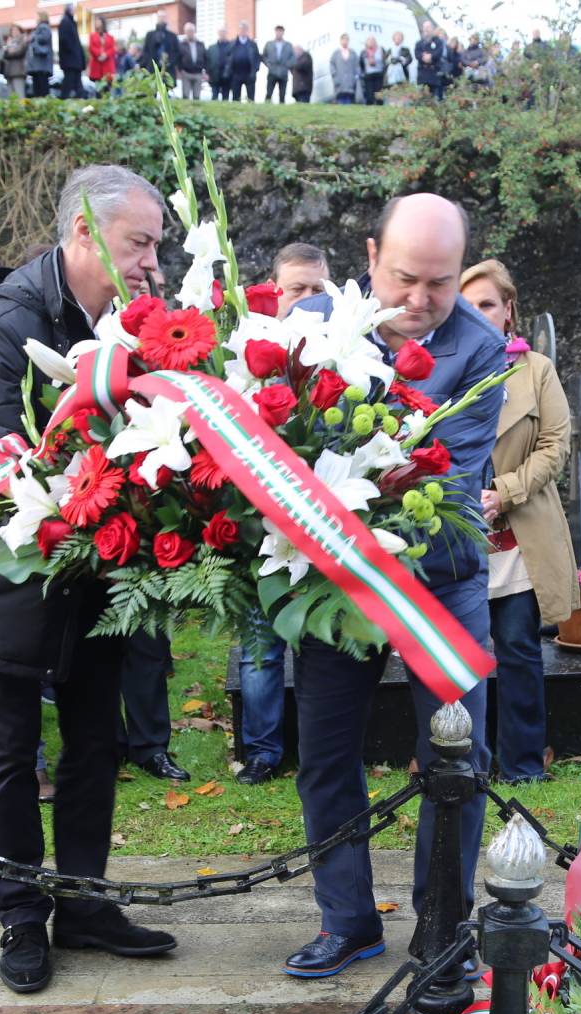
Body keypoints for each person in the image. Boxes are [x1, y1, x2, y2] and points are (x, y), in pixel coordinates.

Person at [0, 165, 179, 995]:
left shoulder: (138, 317)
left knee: (95, 746)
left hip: (98, 566)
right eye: (137, 243)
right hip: (5, 572)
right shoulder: (5, 322)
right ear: (83, 233)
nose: (152, 261)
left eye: (156, 243)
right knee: (6, 754)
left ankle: (80, 902)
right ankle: (19, 914)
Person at [284, 194, 507, 979]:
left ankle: (443, 926)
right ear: (371, 255)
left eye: (440, 284)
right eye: (405, 278)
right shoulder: (309, 321)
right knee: (323, 752)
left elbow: (444, 474)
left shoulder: (483, 352)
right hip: (328, 579)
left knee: (458, 758)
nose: (420, 300)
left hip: (438, 581)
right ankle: (346, 922)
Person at [458, 260, 577, 783]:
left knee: (519, 651)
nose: (478, 314)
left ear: (508, 311)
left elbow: (555, 447)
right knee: (459, 657)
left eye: (487, 303)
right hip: (458, 538)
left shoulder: (537, 370)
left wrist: (504, 492)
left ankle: (524, 765)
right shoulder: (445, 365)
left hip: (518, 536)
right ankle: (461, 762)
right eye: (467, 305)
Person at [231, 243, 330, 787]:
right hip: (259, 518)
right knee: (260, 644)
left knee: (321, 643)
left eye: (319, 290)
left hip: (324, 517)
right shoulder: (252, 350)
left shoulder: (340, 350)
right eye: (297, 290)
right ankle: (262, 752)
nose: (310, 301)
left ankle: (321, 746)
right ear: (274, 292)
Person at [55, 7, 86, 99]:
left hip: (75, 61)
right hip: (70, 61)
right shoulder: (65, 22)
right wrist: (73, 52)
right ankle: (65, 102)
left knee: (77, 85)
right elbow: (65, 41)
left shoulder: (71, 23)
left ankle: (79, 101)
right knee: (68, 84)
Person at [415, 21, 447, 100]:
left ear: (432, 29)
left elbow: (438, 53)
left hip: (434, 75)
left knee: (434, 99)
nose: (426, 29)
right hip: (422, 75)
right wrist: (424, 57)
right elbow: (417, 53)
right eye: (425, 27)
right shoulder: (419, 43)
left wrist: (431, 56)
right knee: (421, 99)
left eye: (428, 27)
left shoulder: (438, 41)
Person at [25, 14, 53, 100]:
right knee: (40, 89)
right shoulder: (43, 28)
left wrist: (33, 37)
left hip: (40, 65)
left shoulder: (43, 27)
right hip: (40, 66)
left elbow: (44, 38)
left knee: (40, 89)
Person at [84, 15, 115, 91]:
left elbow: (113, 49)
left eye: (98, 21)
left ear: (102, 23)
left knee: (107, 89)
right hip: (96, 66)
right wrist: (99, 54)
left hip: (107, 67)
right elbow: (91, 47)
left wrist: (105, 55)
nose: (96, 23)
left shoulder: (110, 37)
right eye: (96, 21)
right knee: (97, 90)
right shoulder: (92, 36)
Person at [228, 22, 258, 101]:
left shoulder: (252, 44)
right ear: (239, 30)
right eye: (241, 29)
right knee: (235, 97)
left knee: (251, 98)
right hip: (236, 74)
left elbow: (257, 58)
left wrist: (255, 70)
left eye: (245, 29)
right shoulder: (233, 43)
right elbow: (228, 57)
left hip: (249, 74)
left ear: (248, 30)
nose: (243, 31)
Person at [262, 26, 292, 103]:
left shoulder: (288, 45)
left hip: (283, 73)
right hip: (272, 72)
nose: (279, 33)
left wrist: (287, 65)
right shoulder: (269, 44)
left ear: (283, 33)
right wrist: (268, 64)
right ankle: (266, 107)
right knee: (269, 93)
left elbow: (292, 57)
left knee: (282, 94)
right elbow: (264, 56)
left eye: (281, 31)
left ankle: (282, 111)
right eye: (277, 31)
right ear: (275, 32)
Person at [175, 23, 205, 99]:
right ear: (185, 32)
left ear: (194, 31)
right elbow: (178, 58)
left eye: (191, 31)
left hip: (198, 73)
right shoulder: (181, 44)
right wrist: (179, 70)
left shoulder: (201, 44)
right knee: (185, 95)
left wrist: (205, 72)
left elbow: (205, 58)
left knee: (197, 96)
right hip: (186, 73)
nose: (190, 33)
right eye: (188, 31)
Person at [328, 33, 359, 104]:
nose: (345, 41)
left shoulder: (353, 53)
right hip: (339, 83)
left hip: (350, 82)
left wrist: (356, 77)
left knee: (349, 99)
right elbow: (332, 65)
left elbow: (357, 66)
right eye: (343, 39)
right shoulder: (336, 53)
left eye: (347, 39)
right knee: (340, 99)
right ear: (340, 41)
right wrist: (335, 76)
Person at [205, 26, 231, 100]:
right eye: (221, 32)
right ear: (218, 34)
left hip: (227, 76)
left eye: (224, 32)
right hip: (214, 75)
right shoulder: (211, 48)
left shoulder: (231, 46)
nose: (222, 34)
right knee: (214, 95)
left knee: (226, 96)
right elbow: (207, 61)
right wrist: (207, 73)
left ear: (226, 33)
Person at [359, 36, 386, 105]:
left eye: (372, 41)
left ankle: (380, 106)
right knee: (369, 93)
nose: (371, 43)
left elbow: (385, 61)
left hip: (379, 74)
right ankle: (370, 106)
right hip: (368, 75)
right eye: (369, 41)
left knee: (379, 93)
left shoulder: (380, 50)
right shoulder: (364, 52)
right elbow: (361, 63)